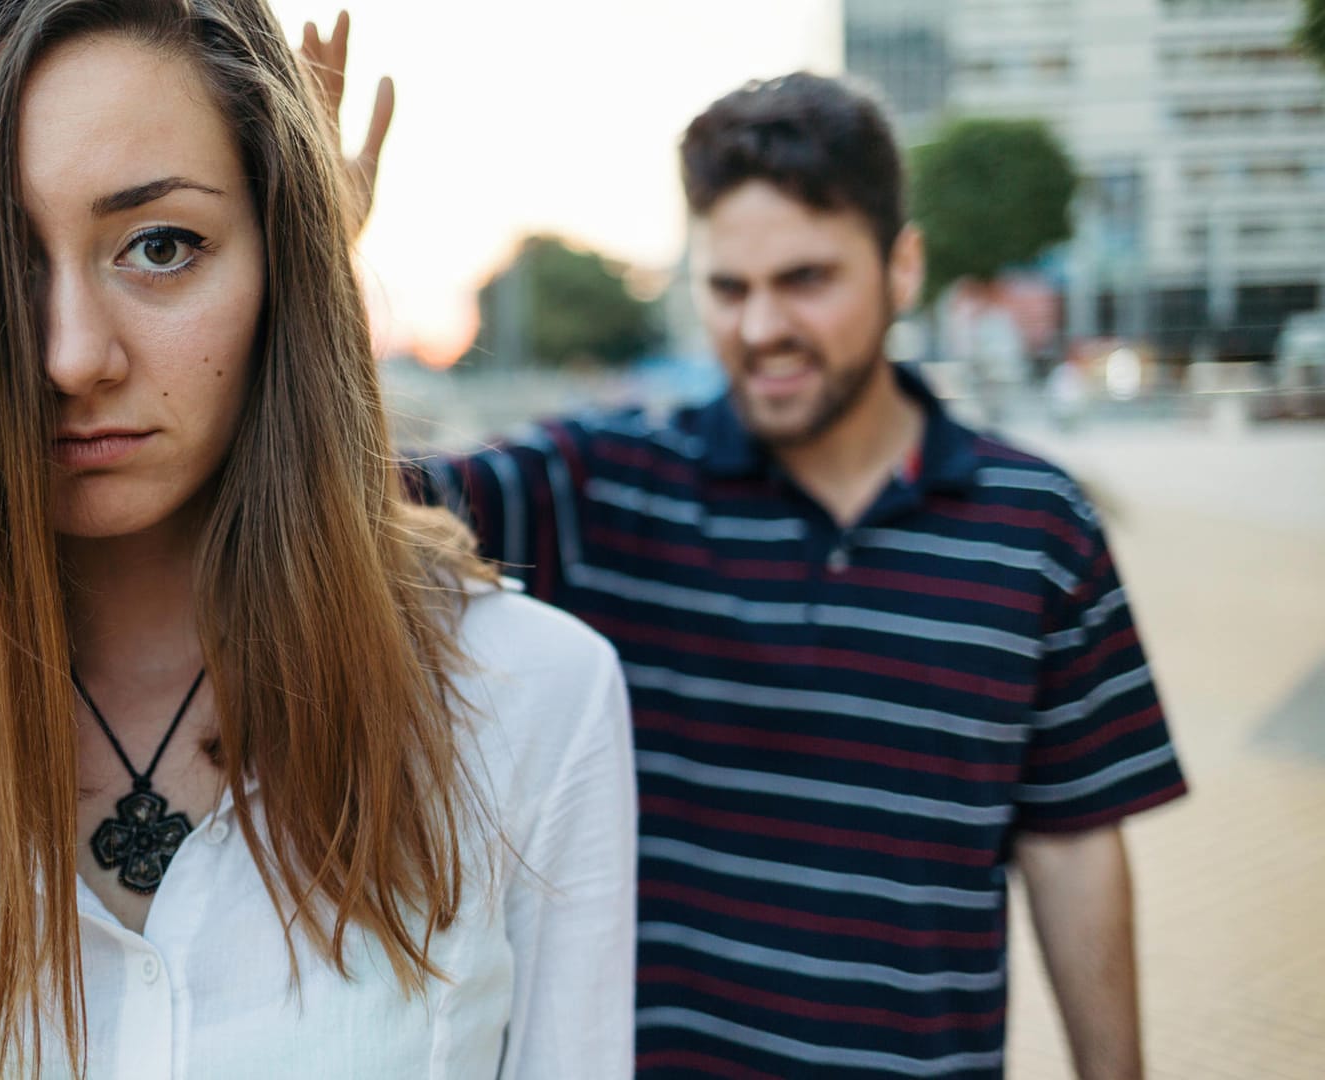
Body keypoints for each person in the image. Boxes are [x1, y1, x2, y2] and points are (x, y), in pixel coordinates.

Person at [0, 2, 636, 1078]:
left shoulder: (527, 703)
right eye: (0, 263)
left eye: (161, 246)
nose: (73, 357)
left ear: (289, 267)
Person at [403, 74, 1187, 1078]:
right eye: (730, 288)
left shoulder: (1038, 528)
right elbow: (348, 504)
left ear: (903, 268)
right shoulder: (605, 488)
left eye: (806, 279)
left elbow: (1073, 846)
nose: (762, 326)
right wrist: (302, 254)